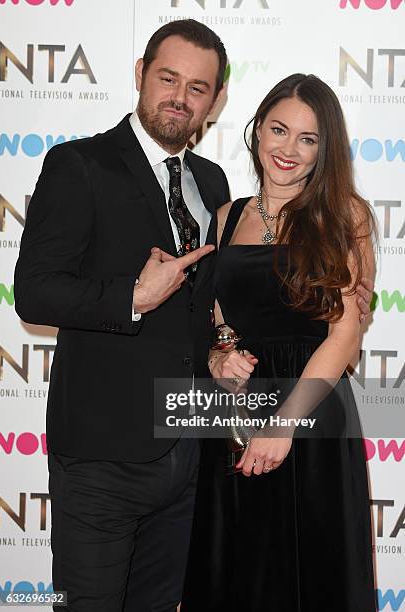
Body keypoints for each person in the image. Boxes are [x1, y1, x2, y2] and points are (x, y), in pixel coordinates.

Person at [14, 19, 230, 612]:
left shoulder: (213, 183)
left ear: (215, 100)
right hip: (101, 459)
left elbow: (203, 306)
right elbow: (33, 292)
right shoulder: (80, 165)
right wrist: (132, 297)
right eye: (168, 78)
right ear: (139, 74)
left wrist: (220, 345)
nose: (179, 98)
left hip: (185, 454)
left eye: (197, 88)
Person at [181, 74, 376, 611]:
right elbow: (217, 319)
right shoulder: (226, 217)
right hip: (236, 419)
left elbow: (345, 333)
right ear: (257, 130)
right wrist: (219, 353)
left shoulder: (345, 215)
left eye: (307, 139)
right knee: (238, 572)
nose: (288, 149)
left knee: (312, 575)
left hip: (311, 413)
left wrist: (284, 425)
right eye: (278, 130)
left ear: (324, 149)